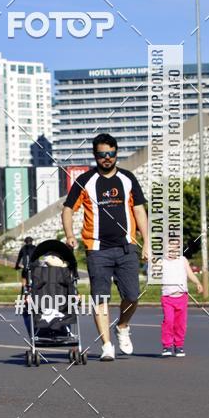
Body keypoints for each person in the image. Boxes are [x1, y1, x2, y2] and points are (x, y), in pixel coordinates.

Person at [62, 133, 149, 361]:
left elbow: (139, 210)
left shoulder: (128, 179)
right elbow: (68, 209)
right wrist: (70, 234)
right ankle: (107, 345)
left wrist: (147, 242)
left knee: (132, 295)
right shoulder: (85, 180)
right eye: (102, 155)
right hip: (97, 249)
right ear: (95, 155)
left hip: (127, 247)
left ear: (116, 153)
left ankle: (122, 325)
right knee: (100, 297)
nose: (107, 158)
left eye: (111, 154)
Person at [160, 239, 203, 357]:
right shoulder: (161, 262)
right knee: (168, 321)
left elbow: (190, 273)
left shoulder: (182, 260)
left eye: (176, 248)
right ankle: (167, 346)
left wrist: (197, 282)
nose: (173, 250)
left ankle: (179, 346)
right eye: (170, 247)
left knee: (180, 323)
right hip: (167, 297)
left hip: (182, 297)